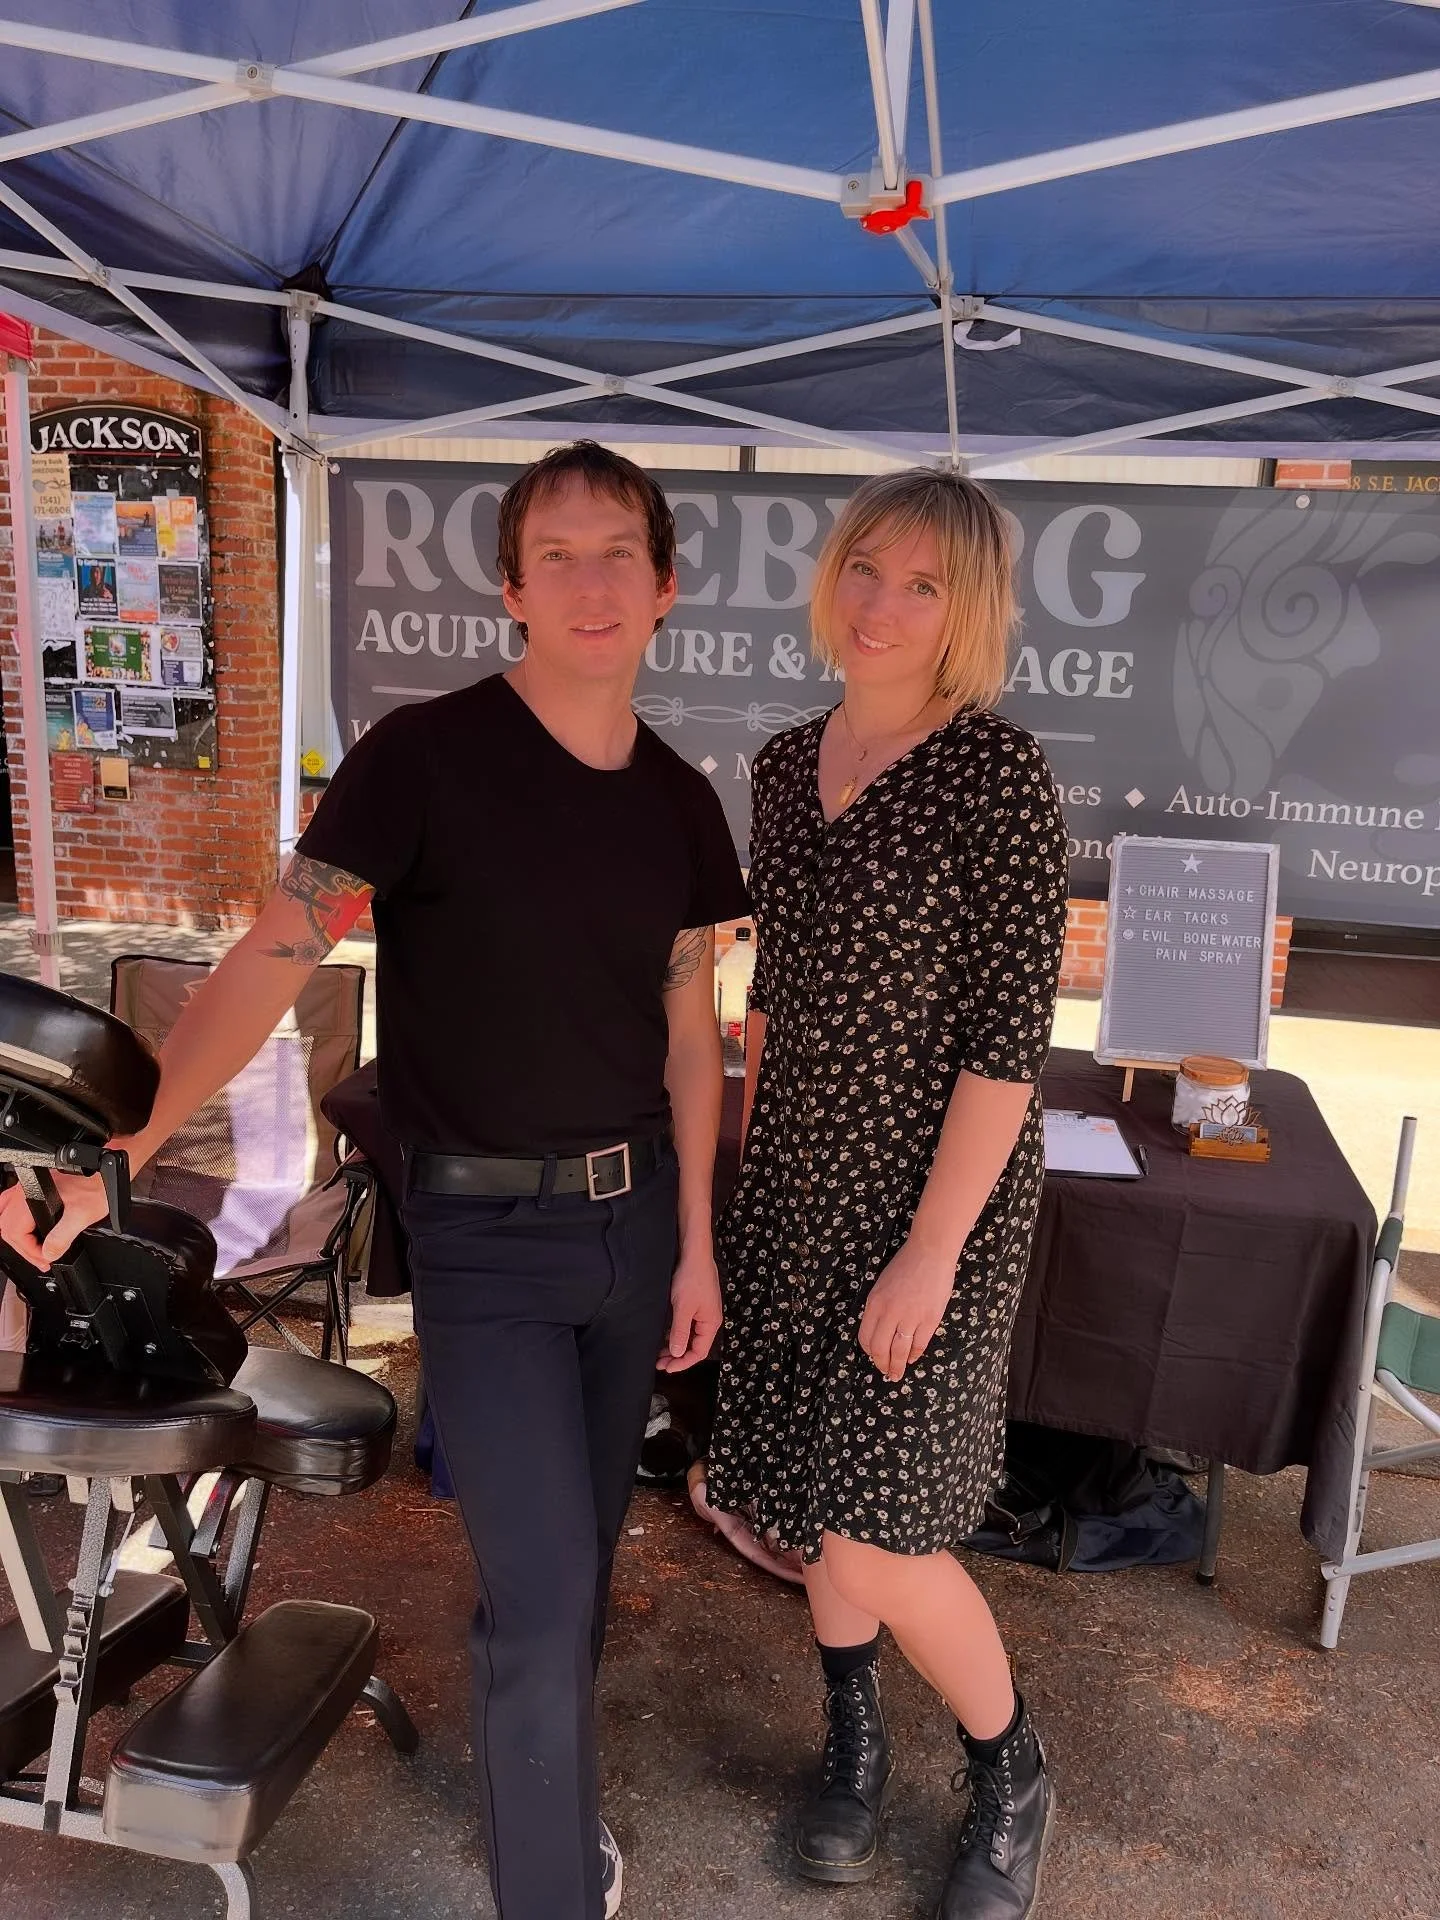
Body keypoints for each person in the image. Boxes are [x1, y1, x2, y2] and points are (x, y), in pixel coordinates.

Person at [0, 441, 749, 1920]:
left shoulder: (679, 802)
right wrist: (123, 1151)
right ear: (510, 588)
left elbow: (689, 1034)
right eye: (558, 554)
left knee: (569, 1576)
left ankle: (540, 1786)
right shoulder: (424, 759)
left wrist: (699, 1248)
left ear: (667, 586)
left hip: (637, 1222)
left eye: (619, 554)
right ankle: (548, 1880)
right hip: (486, 1238)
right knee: (544, 1595)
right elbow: (269, 966)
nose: (590, 583)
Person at [706, 469, 1069, 1919]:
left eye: (924, 584)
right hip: (796, 1173)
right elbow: (772, 999)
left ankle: (1012, 1770)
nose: (883, 604)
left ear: (967, 610)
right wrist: (743, 1170)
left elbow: (1007, 1045)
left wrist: (928, 1253)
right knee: (812, 1491)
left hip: (939, 1206)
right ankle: (851, 1746)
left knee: (883, 1526)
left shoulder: (999, 778)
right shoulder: (788, 766)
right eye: (868, 567)